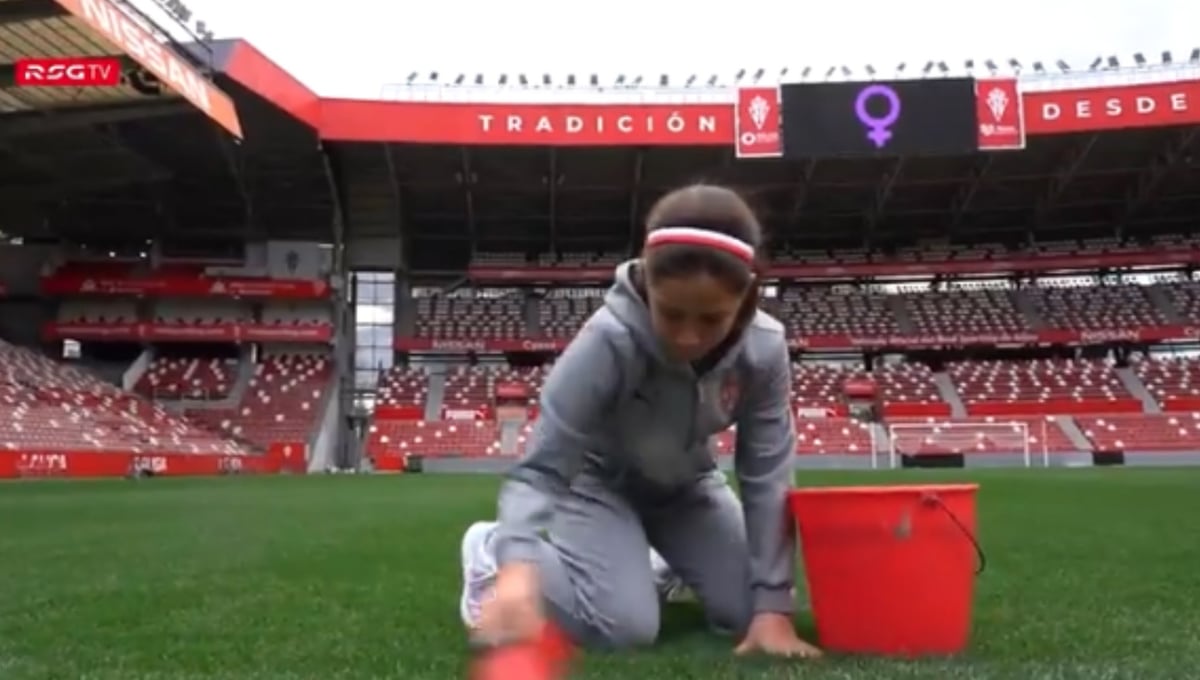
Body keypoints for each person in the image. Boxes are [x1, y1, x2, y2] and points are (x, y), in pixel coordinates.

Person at [458, 183, 822, 661]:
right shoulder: (606, 341)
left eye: (711, 319)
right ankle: (489, 547)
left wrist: (773, 605)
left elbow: (767, 476)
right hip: (595, 484)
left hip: (687, 487)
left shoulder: (765, 349)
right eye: (671, 314)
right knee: (625, 628)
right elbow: (543, 467)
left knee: (749, 611)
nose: (688, 337)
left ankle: (654, 566)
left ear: (748, 297)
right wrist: (517, 565)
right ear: (648, 282)